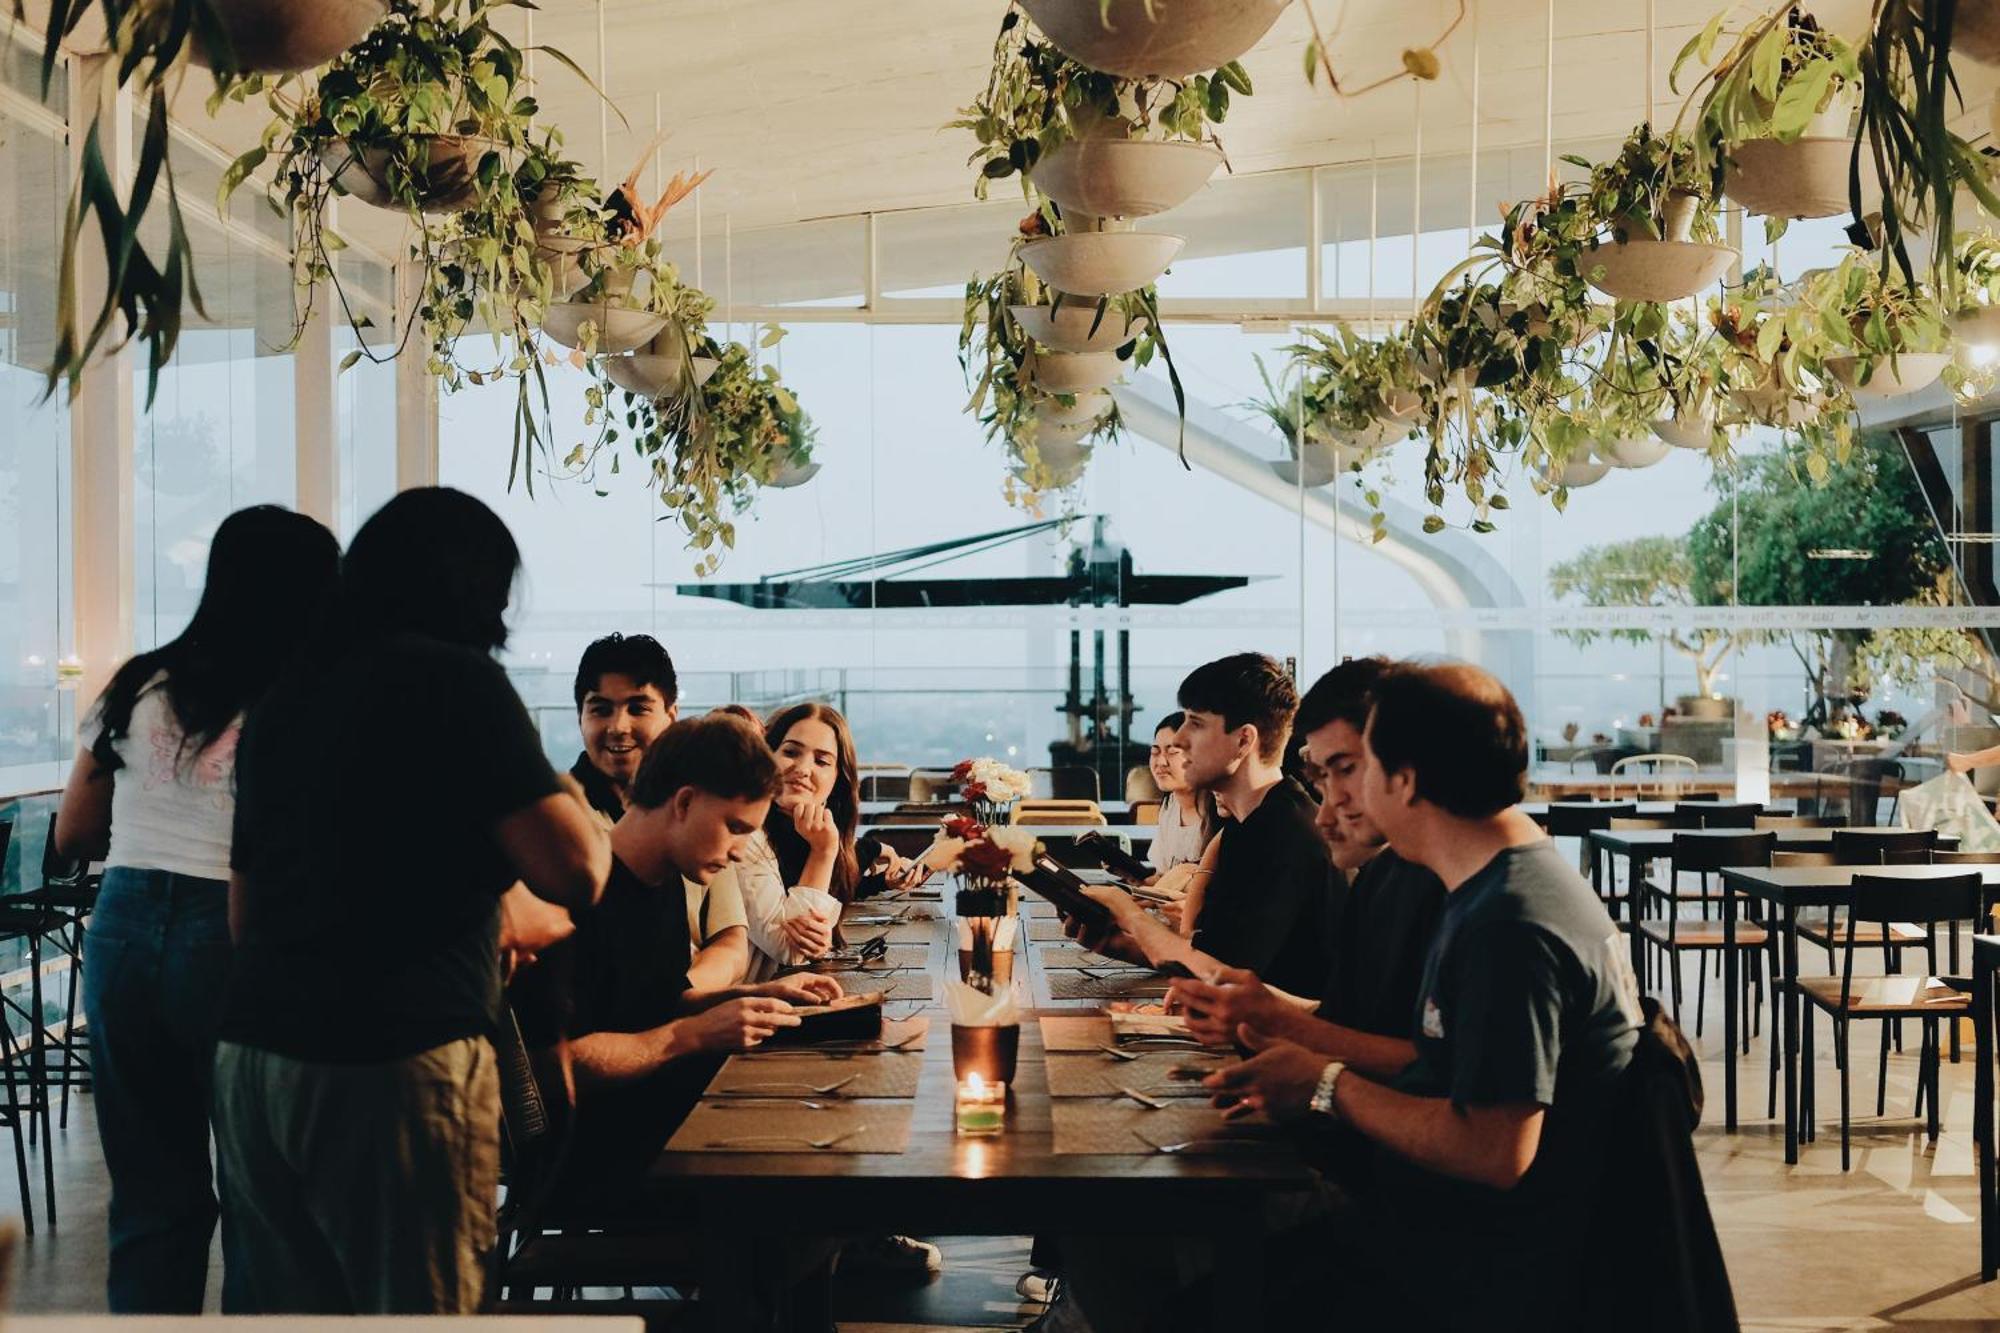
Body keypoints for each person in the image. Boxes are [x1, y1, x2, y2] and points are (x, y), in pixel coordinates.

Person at [212, 488, 612, 1315]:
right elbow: (575, 871)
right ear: (474, 588)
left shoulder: (282, 700)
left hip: (255, 1060)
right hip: (395, 1057)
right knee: (419, 1313)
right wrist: (576, 802)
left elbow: (243, 916)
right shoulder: (457, 682)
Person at [1206, 661, 1643, 1328]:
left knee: (1177, 1260)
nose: (1332, 798)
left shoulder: (1510, 922)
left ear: (1403, 779)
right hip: (1457, 1241)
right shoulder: (1501, 887)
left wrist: (1325, 1083)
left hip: (1474, 1273)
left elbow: (1496, 1150)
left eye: (1355, 768)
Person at [52, 506, 339, 1313]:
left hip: (123, 929)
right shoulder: (300, 694)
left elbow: (75, 831)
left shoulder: (138, 682)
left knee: (149, 1194)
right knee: (262, 1196)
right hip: (236, 930)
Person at [512, 713, 844, 1193]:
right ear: (684, 801)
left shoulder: (664, 880)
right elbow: (553, 1068)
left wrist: (759, 994)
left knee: (824, 1112)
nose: (736, 852)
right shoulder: (578, 895)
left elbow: (657, 1005)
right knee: (806, 1156)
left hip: (661, 1121)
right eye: (734, 826)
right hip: (599, 1159)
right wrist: (690, 1035)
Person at [1064, 655, 1331, 996]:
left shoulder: (1282, 831)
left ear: (1243, 741)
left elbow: (1230, 981)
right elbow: (1211, 961)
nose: (1179, 741)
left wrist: (1131, 915)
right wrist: (1115, 943)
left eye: (1196, 723)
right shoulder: (1245, 824)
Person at [565, 633, 751, 988]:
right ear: (580, 718)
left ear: (671, 716)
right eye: (601, 709)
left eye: (638, 708)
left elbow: (730, 940)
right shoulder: (559, 819)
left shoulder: (701, 807)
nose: (619, 727)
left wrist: (684, 996)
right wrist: (671, 1008)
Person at [737, 702, 924, 980]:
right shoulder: (746, 834)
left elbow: (834, 887)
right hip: (737, 1007)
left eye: (821, 761)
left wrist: (878, 877)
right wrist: (824, 851)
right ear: (767, 756)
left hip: (777, 996)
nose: (802, 769)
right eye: (790, 752)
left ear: (837, 780)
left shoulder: (801, 832)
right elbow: (793, 950)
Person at [1145, 712, 1214, 874]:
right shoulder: (1170, 806)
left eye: (1172, 752)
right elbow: (1162, 876)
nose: (1160, 762)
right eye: (1155, 752)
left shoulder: (1219, 811)